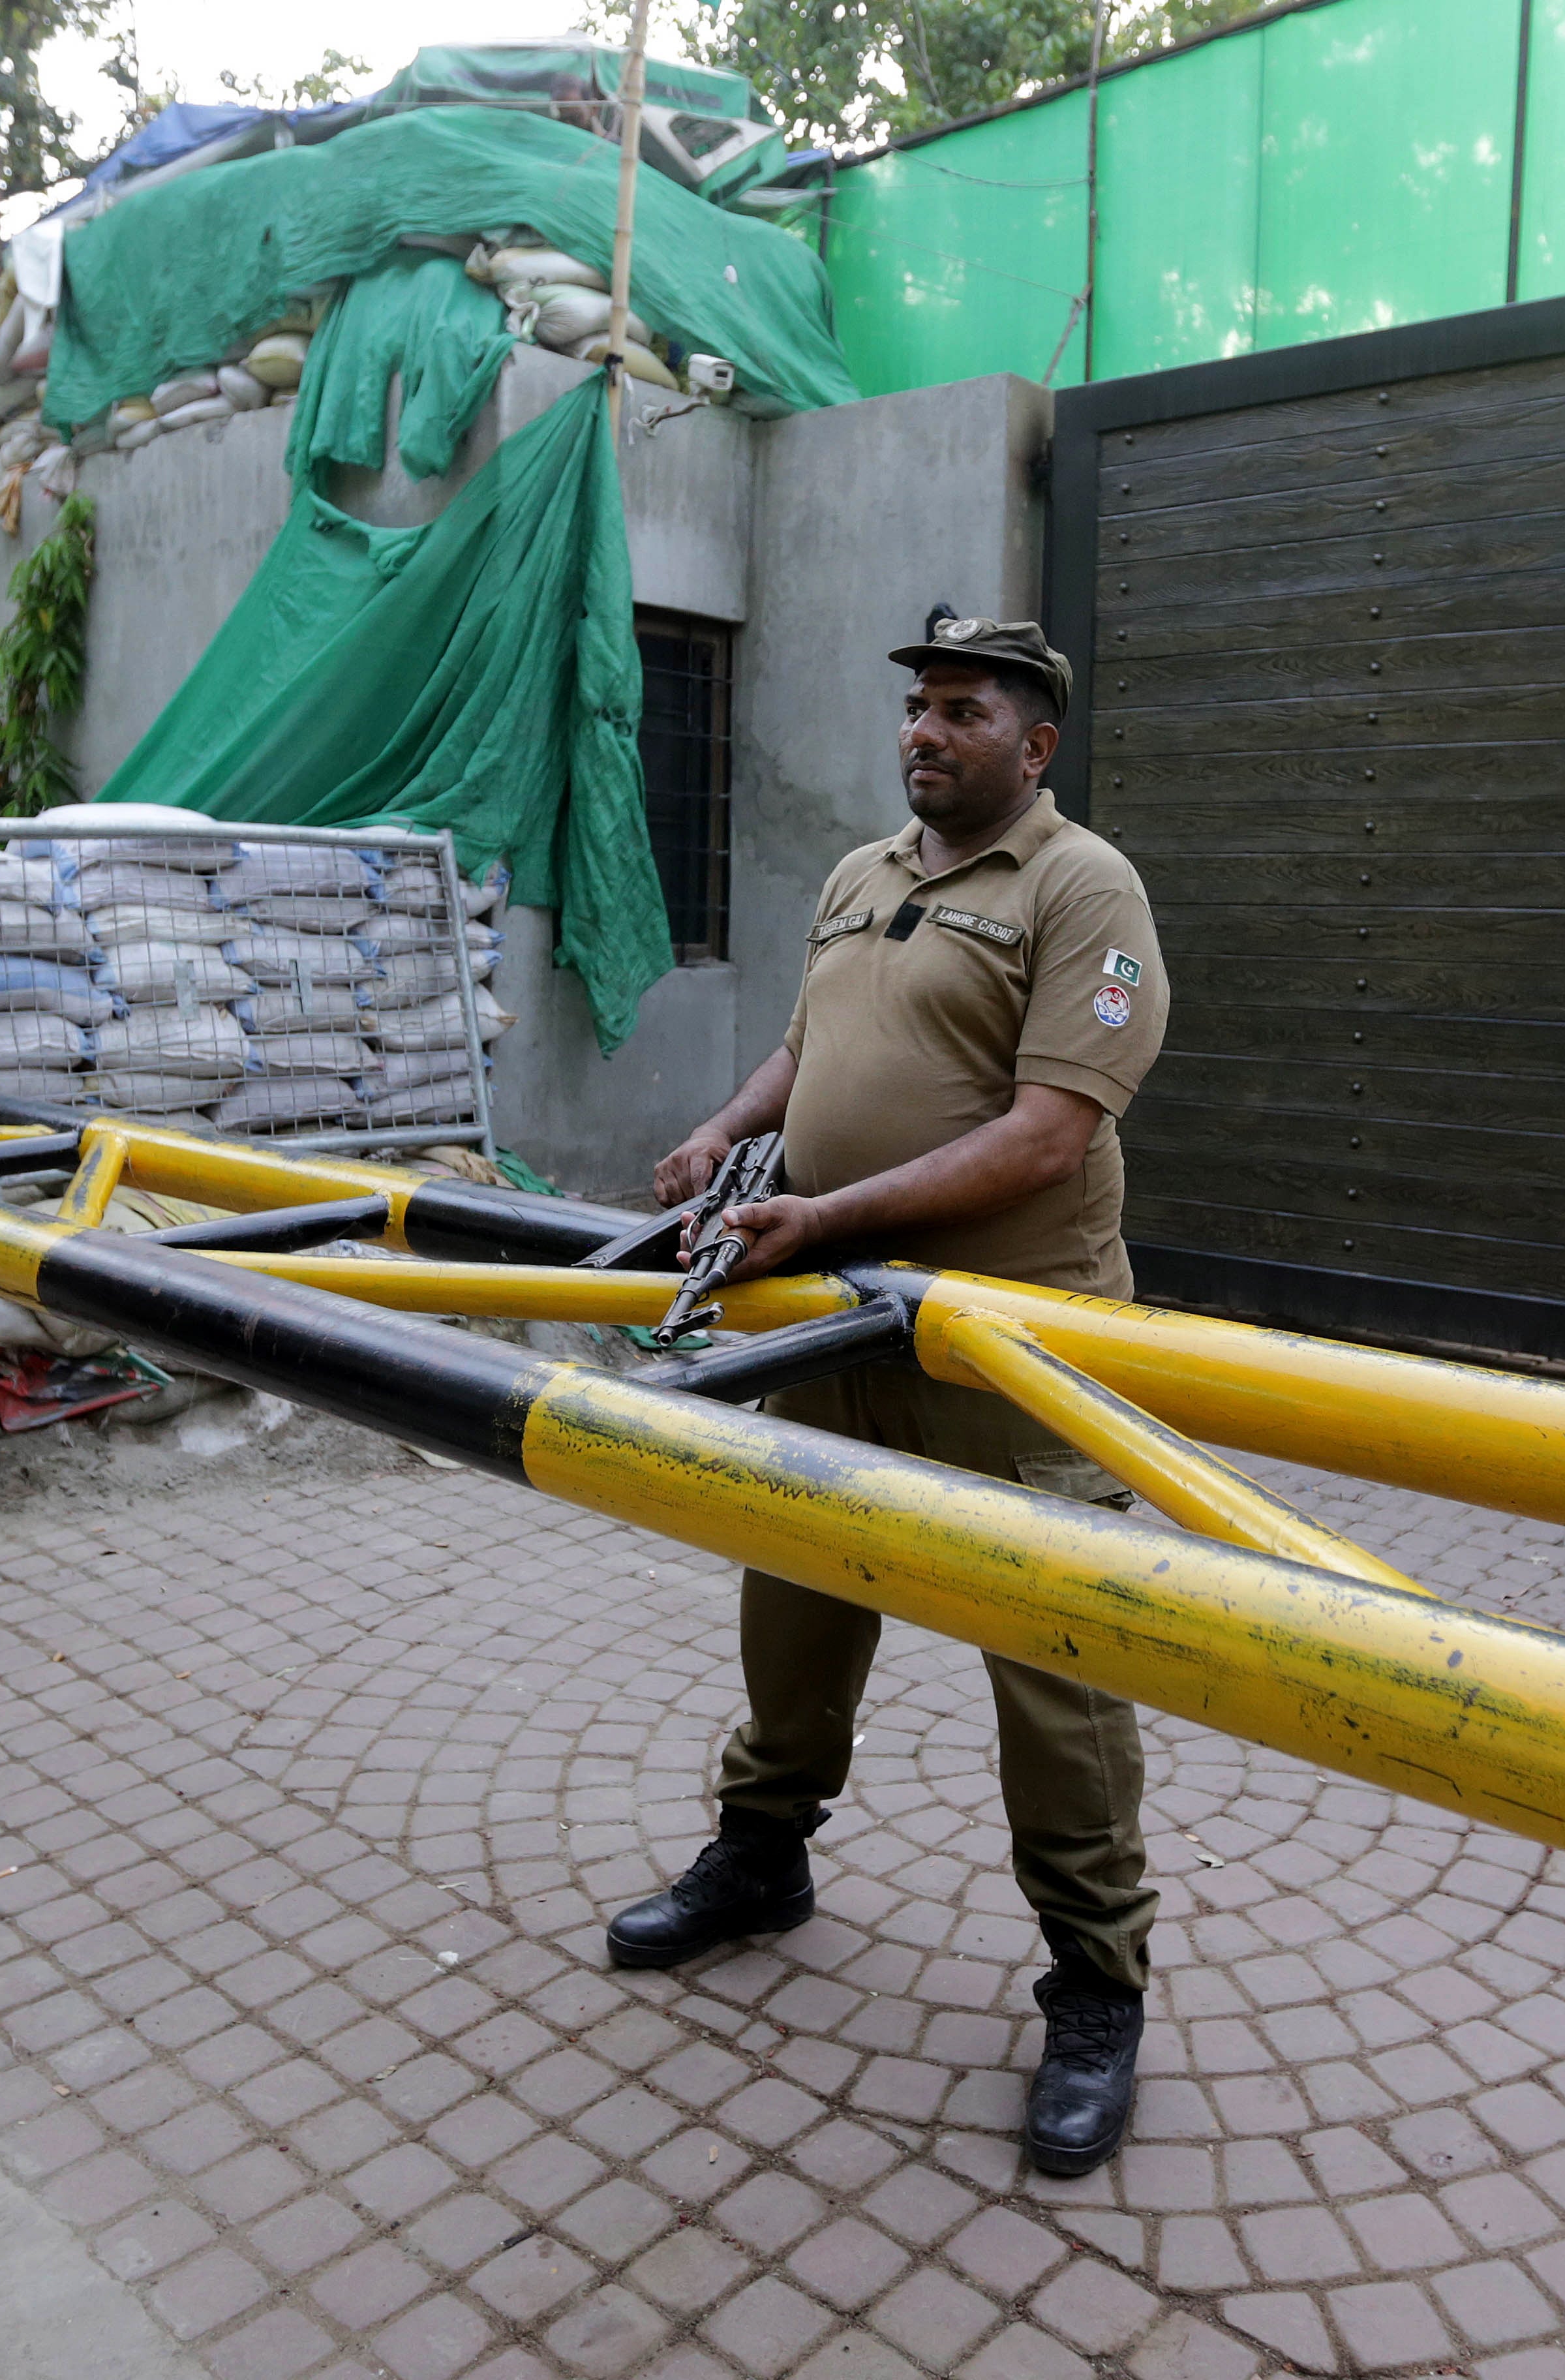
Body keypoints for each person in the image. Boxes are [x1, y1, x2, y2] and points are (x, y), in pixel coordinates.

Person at [607, 615, 1171, 2177]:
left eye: (963, 711)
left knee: (1054, 1658)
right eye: (917, 708)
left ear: (1035, 743)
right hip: (844, 1328)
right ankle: (762, 1859)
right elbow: (808, 1050)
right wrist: (726, 1133)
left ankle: (1099, 1982)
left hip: (1016, 1341)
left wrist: (829, 1216)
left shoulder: (1082, 887)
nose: (926, 732)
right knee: (793, 1593)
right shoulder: (864, 876)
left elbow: (1052, 1131)